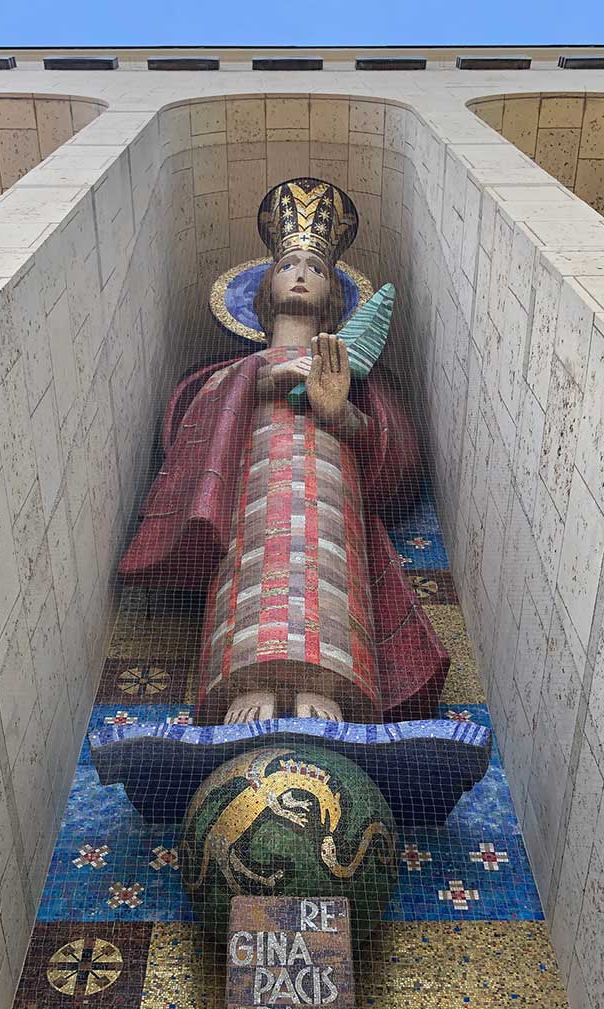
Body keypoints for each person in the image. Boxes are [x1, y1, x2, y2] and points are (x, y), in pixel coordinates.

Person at [119, 177, 448, 725]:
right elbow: (187, 434)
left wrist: (338, 410)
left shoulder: (352, 377)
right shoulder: (226, 376)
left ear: (334, 295)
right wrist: (258, 379)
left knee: (327, 573)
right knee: (254, 569)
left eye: (315, 267)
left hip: (332, 504)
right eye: (288, 265)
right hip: (252, 501)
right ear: (263, 289)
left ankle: (330, 688)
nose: (300, 273)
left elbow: (396, 461)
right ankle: (248, 685)